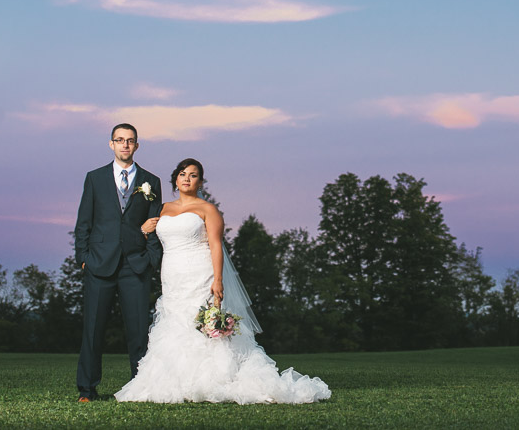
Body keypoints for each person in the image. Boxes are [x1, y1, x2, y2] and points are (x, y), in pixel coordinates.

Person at [115, 158, 331, 404]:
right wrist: (144, 230)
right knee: (177, 323)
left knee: (202, 325)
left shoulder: (208, 209)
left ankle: (213, 379)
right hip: (172, 275)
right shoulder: (162, 209)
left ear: (200, 181)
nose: (187, 178)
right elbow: (146, 239)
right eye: (183, 173)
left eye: (193, 175)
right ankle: (179, 380)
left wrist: (218, 280)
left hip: (201, 271)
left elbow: (216, 246)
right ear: (175, 179)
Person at [74, 123, 163, 402]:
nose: (125, 145)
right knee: (93, 331)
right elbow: (83, 223)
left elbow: (155, 224)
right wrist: (83, 259)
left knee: (138, 333)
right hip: (99, 264)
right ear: (111, 144)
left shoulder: (152, 181)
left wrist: (151, 259)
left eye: (130, 141)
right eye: (119, 140)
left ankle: (139, 389)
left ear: (137, 146)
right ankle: (87, 391)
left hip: (135, 265)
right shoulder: (95, 178)